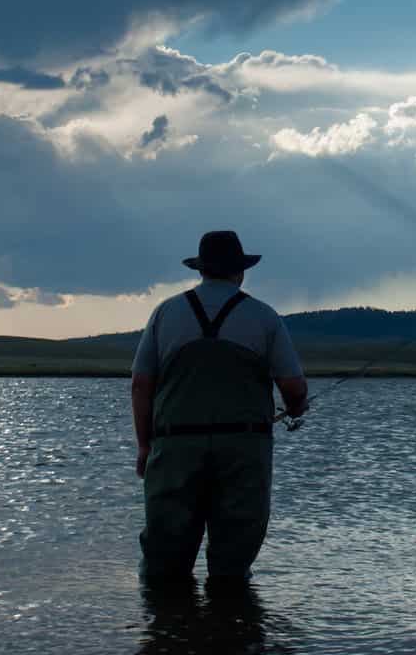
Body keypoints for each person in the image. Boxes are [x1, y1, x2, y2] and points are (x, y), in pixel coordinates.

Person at [131, 230, 308, 588]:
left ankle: (165, 633)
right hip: (243, 452)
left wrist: (145, 446)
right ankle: (232, 628)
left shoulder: (165, 313)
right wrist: (295, 408)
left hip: (174, 449)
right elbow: (292, 387)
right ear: (240, 272)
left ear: (201, 270)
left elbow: (140, 384)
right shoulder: (264, 317)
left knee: (164, 566)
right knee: (233, 565)